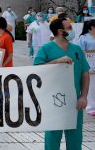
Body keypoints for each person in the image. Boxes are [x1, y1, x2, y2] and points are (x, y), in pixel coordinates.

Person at [33, 17, 89, 150]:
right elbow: (36, 70)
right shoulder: (46, 48)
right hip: (53, 100)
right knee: (53, 136)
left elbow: (85, 73)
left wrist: (84, 96)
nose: (72, 30)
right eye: (69, 28)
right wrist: (57, 61)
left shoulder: (77, 49)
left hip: (75, 100)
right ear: (60, 31)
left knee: (75, 137)